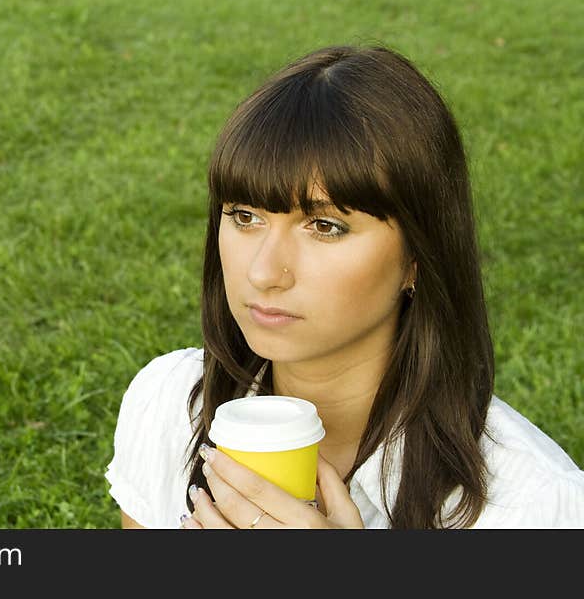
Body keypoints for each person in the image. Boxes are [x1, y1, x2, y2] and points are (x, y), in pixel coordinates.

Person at [104, 44, 584, 529]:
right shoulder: (170, 404)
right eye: (245, 216)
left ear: (417, 257)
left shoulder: (534, 507)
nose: (264, 273)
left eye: (325, 226)